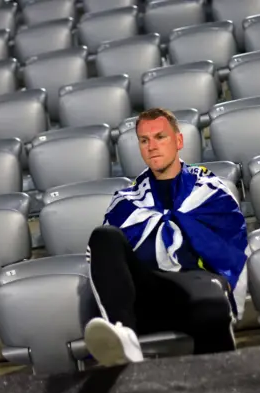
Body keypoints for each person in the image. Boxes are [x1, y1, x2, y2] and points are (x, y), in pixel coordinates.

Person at [83, 108, 248, 366]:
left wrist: (223, 284)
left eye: (160, 137)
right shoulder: (125, 201)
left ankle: (219, 386)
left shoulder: (212, 191)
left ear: (178, 141)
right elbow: (114, 270)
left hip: (196, 290)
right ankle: (124, 340)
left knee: (212, 302)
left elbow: (233, 249)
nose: (152, 146)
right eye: (144, 140)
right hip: (147, 295)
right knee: (104, 237)